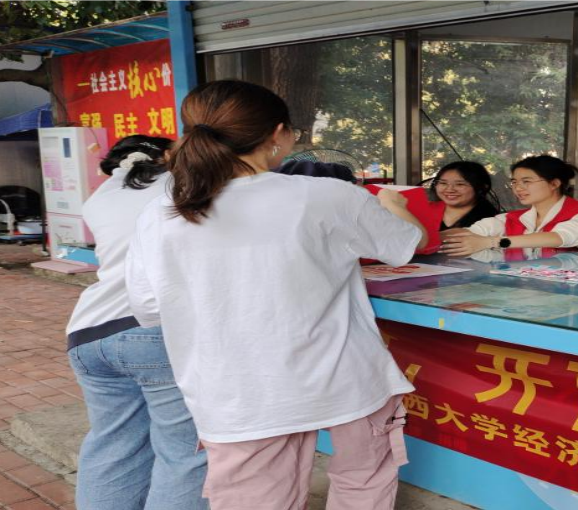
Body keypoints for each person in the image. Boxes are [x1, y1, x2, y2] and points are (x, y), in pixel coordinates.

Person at [124, 80, 428, 510]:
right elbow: (407, 244)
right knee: (363, 484)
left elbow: (148, 308)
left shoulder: (162, 212)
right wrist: (397, 207)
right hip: (345, 381)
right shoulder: (327, 195)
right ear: (278, 134)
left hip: (235, 395)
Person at [66, 135, 208, 510]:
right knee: (183, 453)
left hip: (88, 333)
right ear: (168, 155)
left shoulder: (99, 198)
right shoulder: (182, 186)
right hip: (152, 330)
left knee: (113, 447)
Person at [440, 155, 578, 258]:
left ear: (554, 183)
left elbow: (559, 238)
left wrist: (490, 242)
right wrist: (432, 238)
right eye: (514, 182)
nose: (518, 188)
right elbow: (472, 233)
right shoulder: (510, 218)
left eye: (526, 181)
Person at [429, 160, 500, 231]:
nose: (449, 189)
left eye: (460, 184)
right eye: (443, 183)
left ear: (481, 188)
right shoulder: (425, 211)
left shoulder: (493, 223)